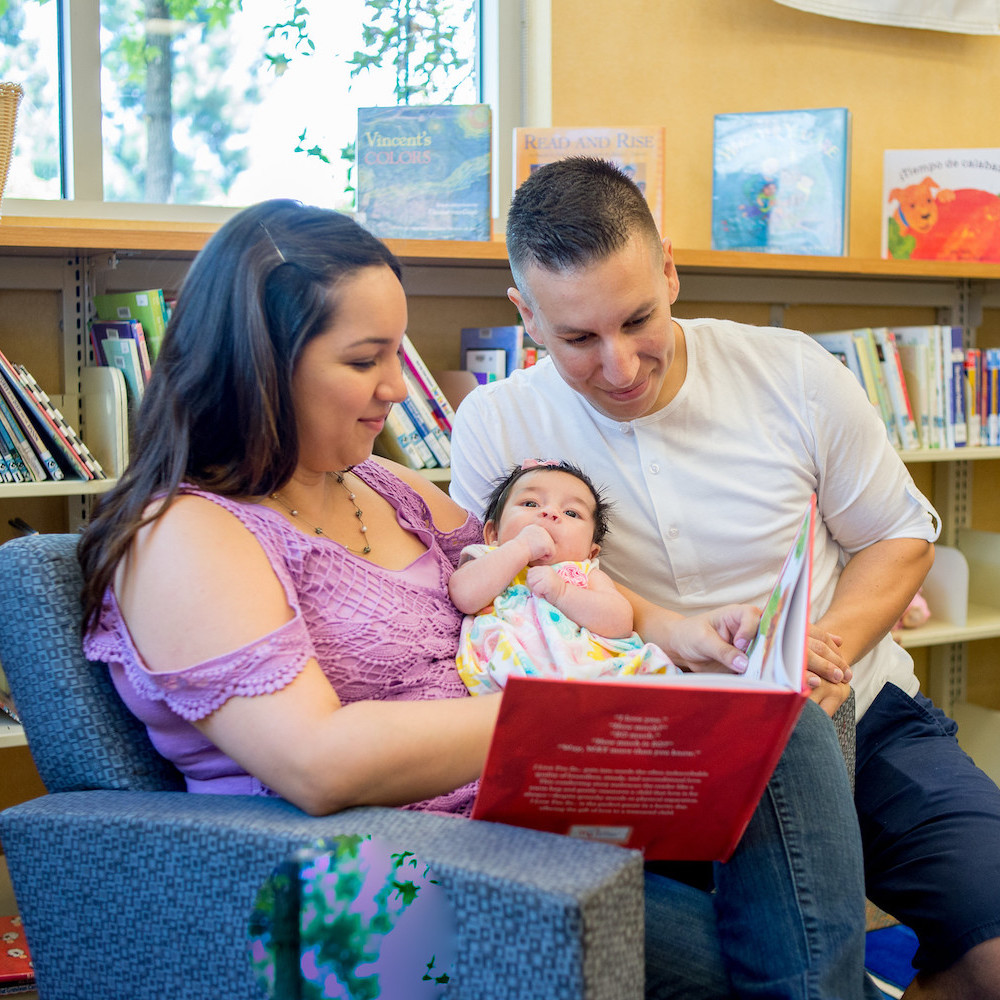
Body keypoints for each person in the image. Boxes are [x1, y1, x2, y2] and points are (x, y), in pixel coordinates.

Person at [76, 198, 875, 1000]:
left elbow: (541, 562)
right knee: (775, 975)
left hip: (522, 823)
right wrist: (589, 708)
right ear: (257, 365)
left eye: (397, 352)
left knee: (783, 723)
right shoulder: (185, 534)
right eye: (364, 361)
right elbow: (315, 764)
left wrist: (683, 636)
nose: (396, 385)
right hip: (371, 877)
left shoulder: (384, 488)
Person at [449, 156, 1000, 999]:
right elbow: (488, 602)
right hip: (645, 745)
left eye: (639, 320)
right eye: (578, 340)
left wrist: (826, 651)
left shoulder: (793, 373)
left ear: (670, 268)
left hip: (859, 710)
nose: (623, 367)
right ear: (525, 315)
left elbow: (897, 536)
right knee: (733, 967)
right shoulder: (496, 423)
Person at [449, 458, 678, 694]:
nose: (549, 513)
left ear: (590, 552)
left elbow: (619, 623)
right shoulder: (488, 558)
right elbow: (464, 596)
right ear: (493, 534)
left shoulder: (586, 574)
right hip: (512, 684)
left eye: (571, 512)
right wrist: (520, 548)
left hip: (598, 679)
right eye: (530, 503)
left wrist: (563, 593)